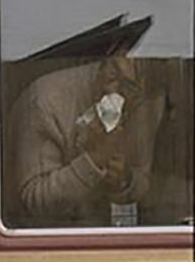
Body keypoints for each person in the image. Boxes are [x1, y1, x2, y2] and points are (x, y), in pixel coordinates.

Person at [9, 54, 166, 227]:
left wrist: (123, 180)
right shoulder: (45, 101)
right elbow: (35, 200)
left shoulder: (151, 99)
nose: (138, 100)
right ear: (109, 71)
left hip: (109, 233)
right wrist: (94, 160)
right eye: (131, 88)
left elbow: (143, 181)